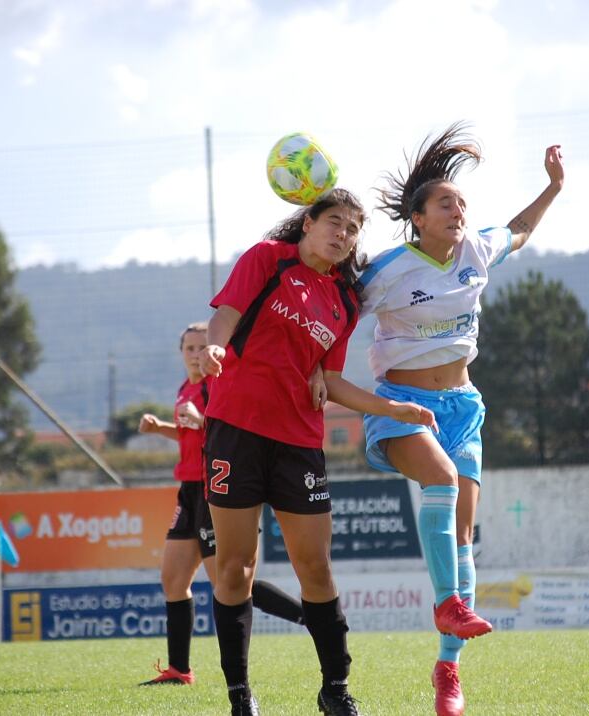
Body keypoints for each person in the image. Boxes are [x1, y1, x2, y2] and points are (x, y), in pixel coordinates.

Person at [199, 187, 435, 716]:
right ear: (308, 222)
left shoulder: (343, 302)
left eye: (353, 229)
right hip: (235, 430)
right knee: (234, 568)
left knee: (316, 569)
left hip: (300, 443)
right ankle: (240, 694)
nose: (343, 235)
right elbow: (226, 316)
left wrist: (392, 408)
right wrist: (215, 346)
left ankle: (336, 688)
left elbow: (331, 381)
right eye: (335, 222)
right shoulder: (267, 258)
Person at [354, 123, 564, 716]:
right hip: (403, 405)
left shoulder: (477, 250)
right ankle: (449, 604)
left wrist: (553, 188)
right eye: (445, 202)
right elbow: (336, 312)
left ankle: (448, 669)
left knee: (466, 536)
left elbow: (519, 230)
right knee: (441, 482)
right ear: (417, 218)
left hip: (463, 408)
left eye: (462, 202)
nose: (458, 209)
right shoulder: (387, 271)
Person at [137, 321, 305, 687]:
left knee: (229, 580)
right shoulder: (187, 387)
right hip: (189, 488)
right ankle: (179, 670)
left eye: (202, 347)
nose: (196, 355)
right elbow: (190, 433)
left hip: (217, 487)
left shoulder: (220, 383)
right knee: (173, 578)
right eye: (189, 349)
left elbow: (226, 429)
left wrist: (200, 421)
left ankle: (309, 614)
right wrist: (161, 428)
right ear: (181, 353)